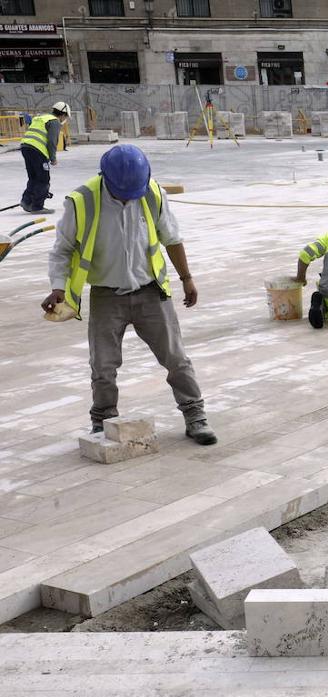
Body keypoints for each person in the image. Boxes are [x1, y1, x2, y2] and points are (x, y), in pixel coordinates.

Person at [40, 144, 217, 445]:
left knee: (176, 359)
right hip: (107, 295)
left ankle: (195, 416)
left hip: (150, 291)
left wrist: (187, 278)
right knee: (103, 366)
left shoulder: (151, 193)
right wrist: (58, 286)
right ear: (105, 178)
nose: (128, 197)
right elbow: (62, 250)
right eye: (122, 192)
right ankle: (103, 422)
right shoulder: (82, 201)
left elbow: (172, 238)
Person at [19, 101, 70, 215]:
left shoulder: (42, 117)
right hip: (37, 150)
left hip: (26, 147)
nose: (64, 119)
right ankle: (37, 207)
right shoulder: (54, 121)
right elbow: (52, 141)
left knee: (33, 177)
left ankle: (26, 201)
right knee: (43, 179)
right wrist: (53, 158)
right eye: (65, 116)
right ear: (62, 114)